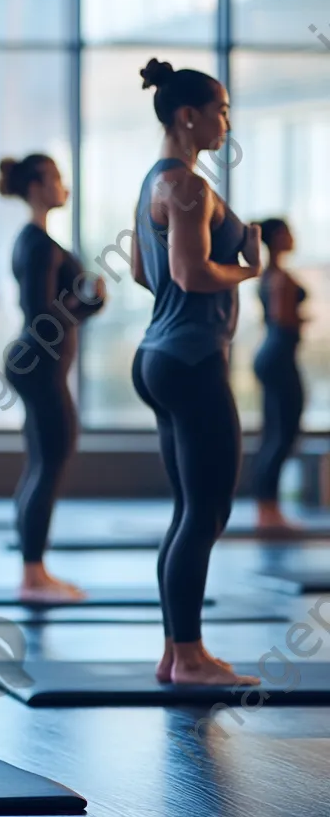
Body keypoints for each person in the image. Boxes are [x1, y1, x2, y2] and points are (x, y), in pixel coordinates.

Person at [130, 57, 261, 687]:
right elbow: (189, 273)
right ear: (190, 115)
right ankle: (186, 655)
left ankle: (177, 652)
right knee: (207, 509)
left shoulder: (153, 181)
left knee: (191, 508)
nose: (227, 122)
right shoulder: (186, 185)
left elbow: (140, 271)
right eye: (222, 110)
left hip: (162, 356)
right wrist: (247, 267)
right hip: (190, 359)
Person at [0, 155, 105, 602]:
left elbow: (57, 310)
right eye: (58, 179)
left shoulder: (37, 240)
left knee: (45, 459)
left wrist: (89, 303)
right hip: (38, 363)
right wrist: (87, 302)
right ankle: (33, 574)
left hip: (38, 363)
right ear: (39, 185)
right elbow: (44, 315)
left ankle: (33, 569)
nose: (64, 186)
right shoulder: (38, 244)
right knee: (52, 456)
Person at [251, 218, 306, 530]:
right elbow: (281, 317)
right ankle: (268, 509)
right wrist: (300, 320)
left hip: (275, 356)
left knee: (276, 431)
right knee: (283, 432)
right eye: (288, 232)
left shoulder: (273, 275)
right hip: (278, 356)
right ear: (276, 238)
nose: (293, 237)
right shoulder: (279, 279)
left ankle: (268, 507)